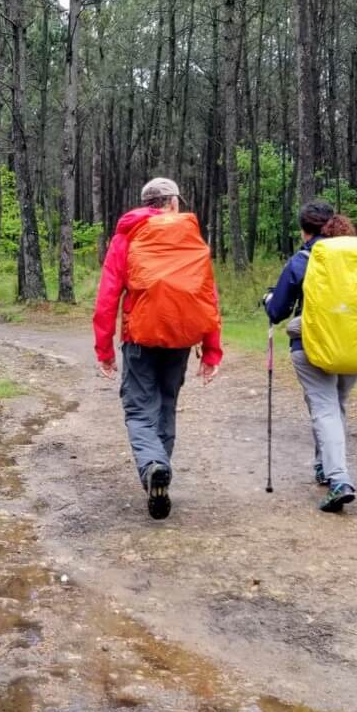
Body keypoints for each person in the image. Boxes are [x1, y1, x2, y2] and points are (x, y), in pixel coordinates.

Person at [93, 176, 223, 520]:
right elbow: (207, 294)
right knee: (166, 404)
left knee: (138, 410)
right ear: (173, 203)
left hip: (140, 337)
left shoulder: (128, 235)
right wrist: (211, 349)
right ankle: (158, 472)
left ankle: (153, 466)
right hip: (181, 337)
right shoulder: (190, 236)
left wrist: (104, 350)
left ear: (146, 203)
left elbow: (108, 297)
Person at [264, 202, 357, 512]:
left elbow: (278, 310)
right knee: (335, 406)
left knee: (324, 409)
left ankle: (339, 479)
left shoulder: (303, 260)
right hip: (354, 346)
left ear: (304, 230)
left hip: (312, 347)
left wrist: (269, 298)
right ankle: (324, 466)